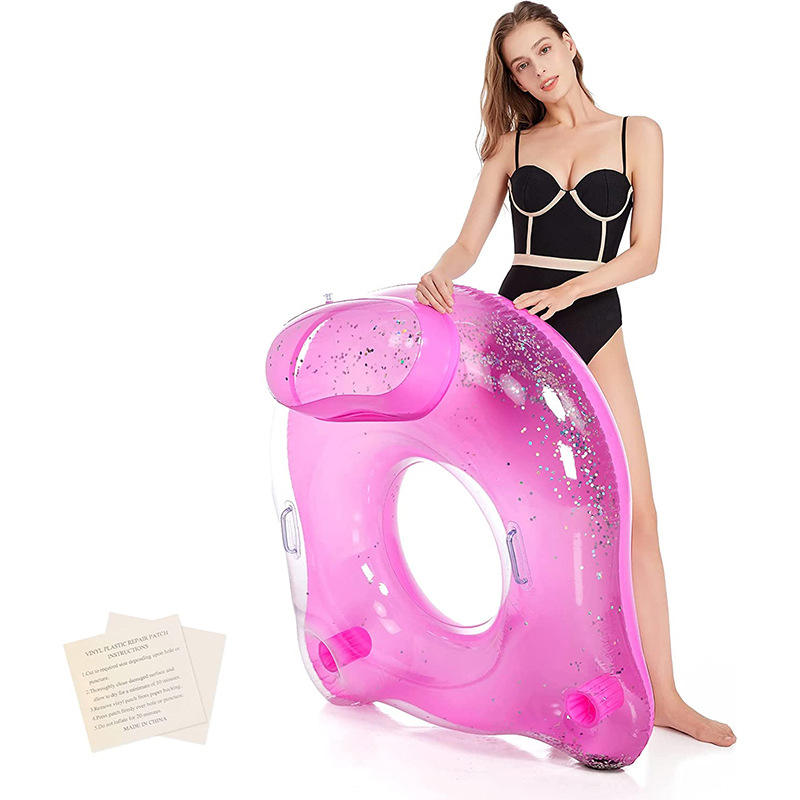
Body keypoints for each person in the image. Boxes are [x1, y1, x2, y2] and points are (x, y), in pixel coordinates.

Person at [415, 1, 736, 747]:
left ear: (568, 43)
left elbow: (645, 253)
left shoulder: (636, 133)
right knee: (546, 517)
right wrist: (440, 272)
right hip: (519, 330)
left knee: (637, 513)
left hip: (591, 318)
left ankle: (666, 696)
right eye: (521, 65)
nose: (538, 70)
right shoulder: (512, 143)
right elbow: (469, 243)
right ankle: (553, 684)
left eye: (543, 50)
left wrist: (572, 291)